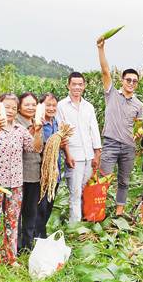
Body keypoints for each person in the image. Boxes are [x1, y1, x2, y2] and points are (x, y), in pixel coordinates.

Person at [0, 93, 42, 265]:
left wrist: (37, 132)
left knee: (12, 221)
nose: (11, 111)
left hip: (15, 183)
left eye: (14, 108)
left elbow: (35, 148)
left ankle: (10, 257)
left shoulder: (20, 130)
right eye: (7, 107)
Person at [96, 37, 143, 216]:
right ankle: (98, 211)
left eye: (134, 81)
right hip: (110, 144)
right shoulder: (112, 94)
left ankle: (119, 211)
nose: (131, 83)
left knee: (124, 181)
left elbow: (138, 127)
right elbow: (105, 71)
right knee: (103, 179)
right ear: (122, 80)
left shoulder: (139, 105)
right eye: (128, 80)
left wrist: (138, 134)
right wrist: (101, 49)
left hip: (128, 148)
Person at [56, 72, 102, 225]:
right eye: (74, 84)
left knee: (85, 189)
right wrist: (67, 154)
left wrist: (97, 154)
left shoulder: (88, 107)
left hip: (88, 154)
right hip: (73, 155)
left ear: (84, 86)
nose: (77, 87)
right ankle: (75, 226)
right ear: (68, 85)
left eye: (80, 84)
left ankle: (85, 218)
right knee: (74, 192)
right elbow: (62, 132)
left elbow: (94, 130)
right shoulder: (61, 106)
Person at [16, 92, 45, 251]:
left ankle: (28, 245)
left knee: (30, 211)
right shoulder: (16, 122)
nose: (30, 107)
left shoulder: (36, 121)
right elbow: (22, 144)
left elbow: (38, 147)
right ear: (19, 106)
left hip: (34, 172)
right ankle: (16, 245)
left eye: (33, 105)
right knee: (17, 212)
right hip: (19, 173)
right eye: (26, 104)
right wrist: (33, 131)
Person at [39, 93, 64, 233]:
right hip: (43, 172)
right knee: (41, 205)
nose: (51, 108)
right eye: (48, 105)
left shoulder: (56, 122)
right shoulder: (38, 124)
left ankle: (41, 231)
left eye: (54, 105)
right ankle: (37, 235)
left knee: (50, 203)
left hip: (56, 171)